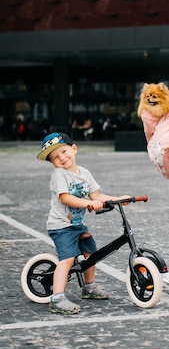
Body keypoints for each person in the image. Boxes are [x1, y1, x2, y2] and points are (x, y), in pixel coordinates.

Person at [37, 132, 131, 315]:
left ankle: (89, 287)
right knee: (67, 258)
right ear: (52, 163)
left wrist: (118, 199)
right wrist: (89, 204)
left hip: (77, 226)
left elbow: (96, 196)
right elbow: (65, 198)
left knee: (90, 253)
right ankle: (56, 298)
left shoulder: (85, 173)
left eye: (64, 152)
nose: (61, 158)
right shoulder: (59, 175)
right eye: (55, 157)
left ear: (74, 149)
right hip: (61, 226)